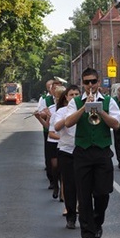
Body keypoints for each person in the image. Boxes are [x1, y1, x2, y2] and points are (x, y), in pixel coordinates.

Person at [63, 68, 120, 238]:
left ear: (98, 82)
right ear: (82, 83)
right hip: (82, 152)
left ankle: (97, 221)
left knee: (103, 192)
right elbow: (67, 122)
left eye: (93, 81)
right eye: (86, 82)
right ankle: (87, 233)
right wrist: (84, 107)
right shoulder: (75, 102)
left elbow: (116, 124)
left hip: (102, 152)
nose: (90, 85)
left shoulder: (109, 101)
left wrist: (99, 110)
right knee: (84, 194)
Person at [54, 85, 81, 228]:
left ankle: (82, 210)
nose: (74, 97)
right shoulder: (62, 111)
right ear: (66, 97)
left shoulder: (84, 109)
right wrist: (68, 116)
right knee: (69, 185)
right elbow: (56, 128)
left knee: (83, 184)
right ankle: (71, 215)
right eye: (71, 94)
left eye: (77, 94)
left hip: (82, 150)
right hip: (66, 150)